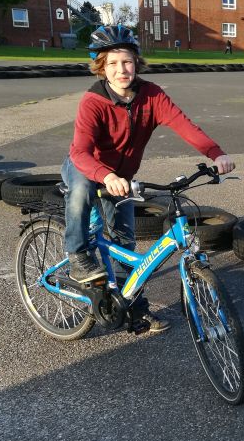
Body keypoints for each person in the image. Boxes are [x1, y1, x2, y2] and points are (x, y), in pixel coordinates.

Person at [63, 25, 235, 332]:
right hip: (88, 167)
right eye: (112, 63)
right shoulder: (93, 102)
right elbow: (80, 152)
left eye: (126, 61)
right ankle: (77, 255)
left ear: (136, 62)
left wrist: (215, 153)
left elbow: (184, 125)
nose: (121, 69)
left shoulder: (151, 95)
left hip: (123, 178)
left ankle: (136, 310)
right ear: (101, 67)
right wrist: (106, 174)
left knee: (126, 243)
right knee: (79, 193)